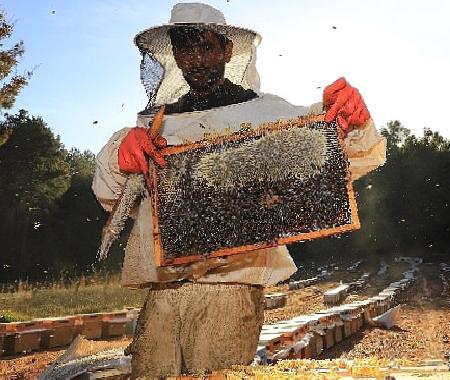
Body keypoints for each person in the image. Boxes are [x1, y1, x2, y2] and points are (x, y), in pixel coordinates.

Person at [92, 3, 386, 378]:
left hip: (229, 293)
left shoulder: (264, 114)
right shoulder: (154, 125)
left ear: (227, 50)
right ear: (175, 54)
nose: (196, 59)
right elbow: (108, 194)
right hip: (162, 296)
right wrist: (121, 154)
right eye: (186, 48)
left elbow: (344, 156)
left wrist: (353, 120)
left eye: (206, 47)